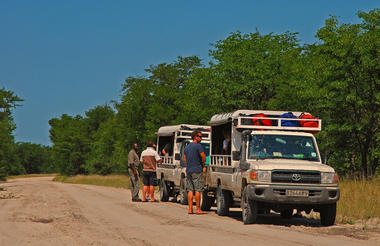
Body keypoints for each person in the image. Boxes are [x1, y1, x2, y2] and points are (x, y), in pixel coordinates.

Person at [184, 131, 206, 214]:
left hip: (189, 170)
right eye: (200, 136)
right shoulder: (198, 146)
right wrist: (202, 164)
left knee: (190, 190)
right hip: (197, 170)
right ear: (195, 137)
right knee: (198, 190)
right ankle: (197, 209)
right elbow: (203, 157)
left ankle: (190, 209)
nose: (201, 138)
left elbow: (185, 159)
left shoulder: (187, 147)